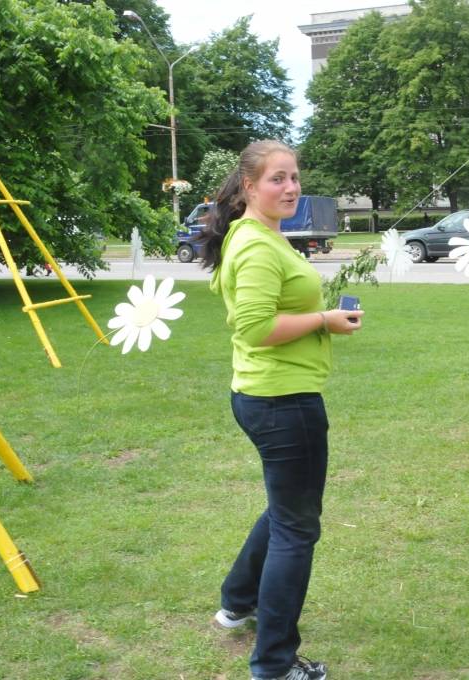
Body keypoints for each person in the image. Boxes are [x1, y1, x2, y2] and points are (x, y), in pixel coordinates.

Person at [199, 139, 363, 680]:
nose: (290, 187)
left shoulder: (260, 236)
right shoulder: (254, 246)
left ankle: (236, 602)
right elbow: (253, 327)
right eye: (277, 179)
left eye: (294, 177)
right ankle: (273, 664)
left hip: (268, 395)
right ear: (249, 186)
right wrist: (323, 321)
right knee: (297, 528)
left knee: (284, 510)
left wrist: (319, 314)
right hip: (282, 402)